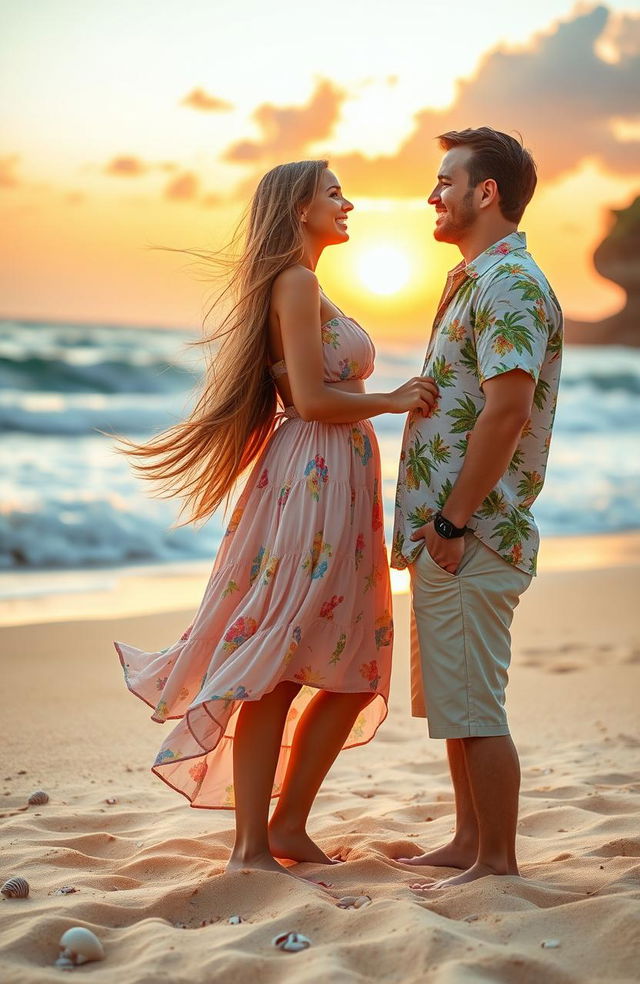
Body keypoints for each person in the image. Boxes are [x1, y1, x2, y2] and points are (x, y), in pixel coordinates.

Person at [114, 159, 438, 878]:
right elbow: (316, 403)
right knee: (282, 664)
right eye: (333, 193)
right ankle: (251, 845)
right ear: (298, 208)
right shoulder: (297, 284)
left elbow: (318, 391)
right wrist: (389, 400)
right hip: (314, 481)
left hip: (336, 483)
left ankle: (287, 825)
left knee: (349, 669)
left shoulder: (309, 285)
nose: (347, 203)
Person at [392, 128, 563, 888]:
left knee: (478, 705)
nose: (433, 195)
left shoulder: (510, 284)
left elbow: (508, 411)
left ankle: (495, 859)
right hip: (451, 534)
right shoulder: (474, 279)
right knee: (457, 702)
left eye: (444, 180)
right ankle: (469, 841)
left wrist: (454, 523)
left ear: (484, 192)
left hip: (475, 532)